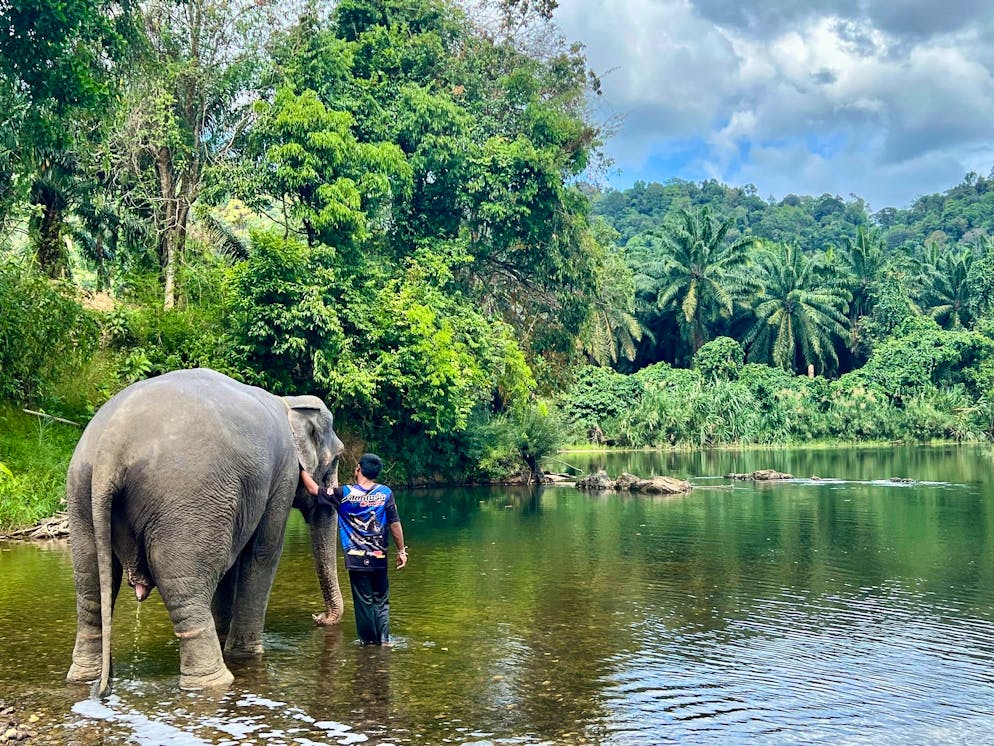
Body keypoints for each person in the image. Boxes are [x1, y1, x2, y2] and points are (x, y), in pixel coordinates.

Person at [300, 453, 407, 645]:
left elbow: (314, 489)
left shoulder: (345, 493)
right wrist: (401, 552)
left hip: (357, 560)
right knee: (381, 603)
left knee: (364, 603)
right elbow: (395, 524)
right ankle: (384, 641)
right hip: (379, 558)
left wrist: (300, 469)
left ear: (358, 469)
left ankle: (367, 644)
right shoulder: (385, 493)